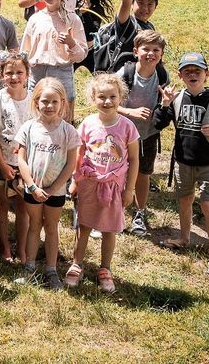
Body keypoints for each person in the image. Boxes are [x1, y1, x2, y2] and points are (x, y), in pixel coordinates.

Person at [154, 52, 209, 277]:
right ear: (180, 75)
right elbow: (158, 123)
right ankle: (184, 238)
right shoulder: (177, 99)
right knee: (184, 200)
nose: (193, 75)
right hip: (183, 162)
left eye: (197, 71)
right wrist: (164, 105)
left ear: (207, 75)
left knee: (208, 205)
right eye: (187, 71)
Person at [67, 73, 140, 293]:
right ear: (93, 98)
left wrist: (130, 189)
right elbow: (78, 154)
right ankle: (77, 263)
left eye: (112, 96)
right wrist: (75, 181)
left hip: (114, 186)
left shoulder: (127, 127)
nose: (107, 101)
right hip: (89, 183)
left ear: (121, 98)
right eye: (102, 97)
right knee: (85, 225)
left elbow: (135, 159)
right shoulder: (88, 124)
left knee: (109, 229)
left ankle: (105, 269)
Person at [14, 77, 80, 290]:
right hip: (32, 190)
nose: (49, 106)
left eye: (54, 102)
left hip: (56, 191)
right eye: (44, 101)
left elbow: (71, 164)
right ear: (36, 102)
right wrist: (32, 186)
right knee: (34, 225)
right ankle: (29, 266)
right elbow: (21, 160)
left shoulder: (68, 131)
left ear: (62, 102)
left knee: (51, 227)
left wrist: (52, 189)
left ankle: (51, 270)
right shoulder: (28, 128)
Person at [117, 30, 169, 237]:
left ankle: (139, 213)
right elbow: (109, 104)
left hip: (148, 134)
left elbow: (163, 108)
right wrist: (131, 112)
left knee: (144, 174)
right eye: (146, 49)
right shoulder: (124, 74)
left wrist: (166, 104)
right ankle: (116, 212)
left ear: (162, 53)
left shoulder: (163, 76)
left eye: (156, 50)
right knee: (119, 173)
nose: (151, 54)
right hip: (122, 134)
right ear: (135, 51)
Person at [20, 0, 87, 120]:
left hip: (62, 71)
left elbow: (82, 54)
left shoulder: (72, 18)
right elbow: (25, 50)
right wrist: (23, 74)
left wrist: (71, 43)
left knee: (64, 116)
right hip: (36, 72)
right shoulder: (35, 19)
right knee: (35, 115)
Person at [0, 51, 32, 263]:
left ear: (27, 74)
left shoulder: (34, 99)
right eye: (9, 72)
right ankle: (4, 247)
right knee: (2, 203)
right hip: (2, 160)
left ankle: (22, 249)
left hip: (27, 163)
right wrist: (2, 165)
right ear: (1, 74)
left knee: (23, 206)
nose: (14, 77)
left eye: (19, 72)